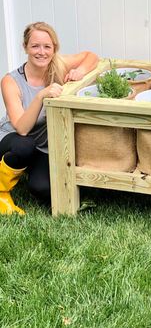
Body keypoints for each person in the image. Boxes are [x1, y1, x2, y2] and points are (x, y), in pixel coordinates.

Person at [0, 21, 99, 215]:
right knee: (24, 145)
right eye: (35, 46)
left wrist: (79, 72)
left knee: (42, 189)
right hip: (12, 139)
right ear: (25, 47)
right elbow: (22, 128)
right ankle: (1, 192)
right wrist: (40, 96)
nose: (41, 52)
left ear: (54, 48)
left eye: (47, 46)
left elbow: (91, 56)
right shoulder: (11, 81)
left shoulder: (57, 66)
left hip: (42, 147)